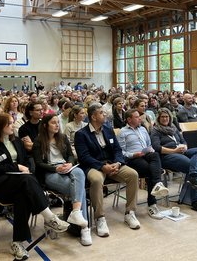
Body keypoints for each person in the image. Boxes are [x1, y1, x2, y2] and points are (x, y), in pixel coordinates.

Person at [0, 113, 69, 260]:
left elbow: (26, 161)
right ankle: (49, 217)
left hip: (17, 184)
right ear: (0, 126)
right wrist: (17, 167)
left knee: (23, 195)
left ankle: (17, 243)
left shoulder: (16, 142)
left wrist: (23, 168)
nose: (13, 126)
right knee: (26, 180)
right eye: (9, 123)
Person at [74, 103, 140, 237]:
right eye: (101, 113)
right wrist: (102, 166)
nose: (105, 114)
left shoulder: (108, 129)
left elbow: (117, 149)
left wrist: (118, 163)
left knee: (133, 174)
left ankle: (130, 213)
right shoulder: (81, 134)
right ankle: (100, 218)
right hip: (93, 166)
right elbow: (84, 156)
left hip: (112, 164)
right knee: (97, 180)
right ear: (93, 116)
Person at [33, 114, 91, 246]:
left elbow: (70, 155)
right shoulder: (38, 141)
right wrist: (56, 169)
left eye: (58, 123)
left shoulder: (63, 137)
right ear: (45, 125)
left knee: (79, 172)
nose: (57, 125)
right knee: (79, 189)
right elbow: (38, 163)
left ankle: (76, 213)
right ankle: (84, 228)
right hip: (50, 172)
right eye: (53, 123)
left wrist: (70, 164)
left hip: (67, 167)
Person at [150, 108, 197, 214]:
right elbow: (157, 147)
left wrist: (185, 147)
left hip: (180, 151)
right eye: (162, 117)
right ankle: (196, 201)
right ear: (158, 118)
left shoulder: (173, 128)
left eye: (167, 116)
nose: (165, 119)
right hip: (167, 156)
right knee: (191, 166)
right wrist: (174, 151)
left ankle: (194, 177)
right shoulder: (155, 130)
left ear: (170, 118)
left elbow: (183, 140)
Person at [118, 109, 169, 220]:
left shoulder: (143, 129)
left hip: (145, 154)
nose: (140, 118)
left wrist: (149, 150)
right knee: (151, 170)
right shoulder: (123, 132)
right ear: (129, 119)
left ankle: (157, 185)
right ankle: (152, 204)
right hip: (133, 158)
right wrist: (133, 155)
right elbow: (120, 152)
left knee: (155, 155)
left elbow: (149, 144)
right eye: (136, 117)